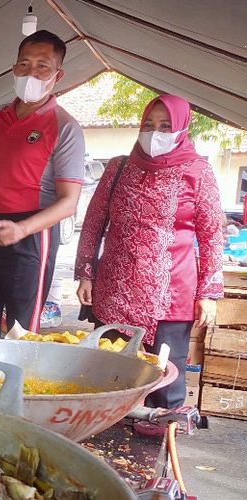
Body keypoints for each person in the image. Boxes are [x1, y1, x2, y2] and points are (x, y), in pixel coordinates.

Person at [75, 94, 223, 409]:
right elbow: (93, 223)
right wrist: (85, 273)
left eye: (165, 125)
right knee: (110, 375)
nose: (155, 133)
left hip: (170, 298)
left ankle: (160, 448)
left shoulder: (198, 172)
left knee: (164, 381)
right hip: (115, 292)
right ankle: (106, 445)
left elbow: (212, 234)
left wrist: (208, 294)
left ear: (182, 128)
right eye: (149, 124)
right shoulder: (118, 168)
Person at [0, 30, 84, 336]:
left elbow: (69, 202)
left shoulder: (65, 127)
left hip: (32, 236)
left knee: (22, 333)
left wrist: (22, 229)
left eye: (42, 66)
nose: (31, 73)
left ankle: (18, 385)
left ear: (58, 75)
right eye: (24, 64)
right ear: (13, 68)